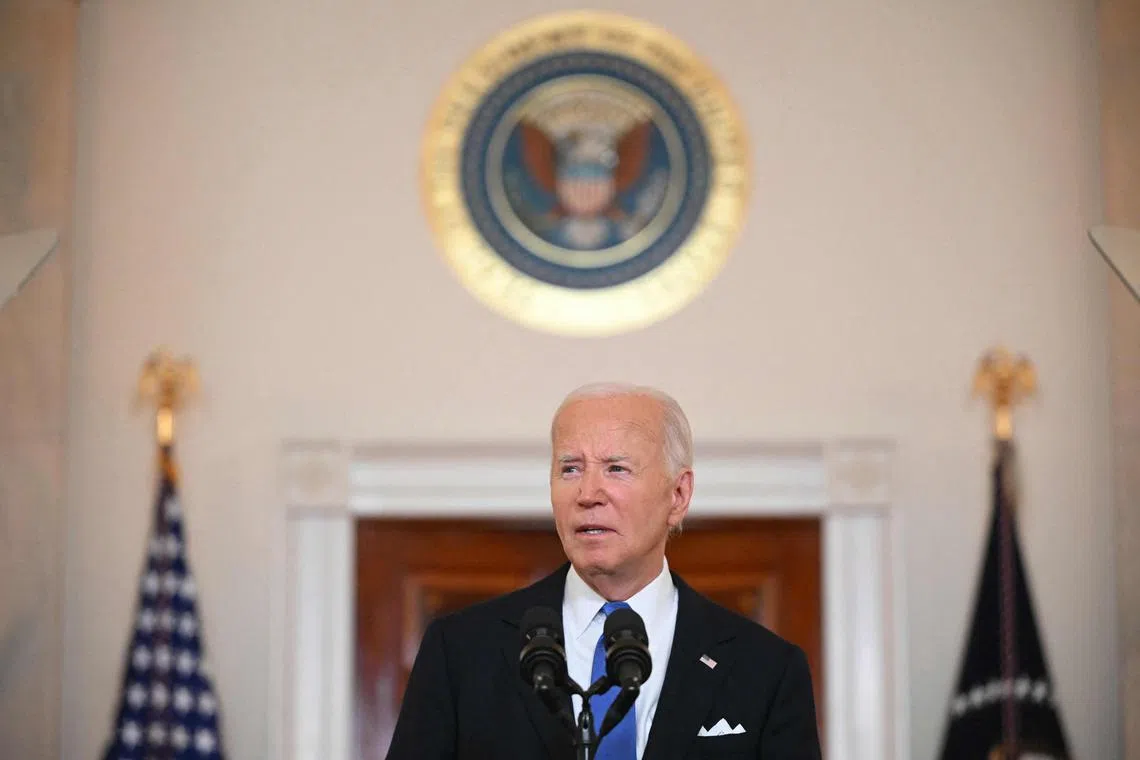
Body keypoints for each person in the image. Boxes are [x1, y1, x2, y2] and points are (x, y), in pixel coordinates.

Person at [386, 383, 822, 759]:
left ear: (678, 495)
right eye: (570, 468)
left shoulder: (765, 668)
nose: (588, 493)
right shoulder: (461, 651)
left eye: (616, 468)